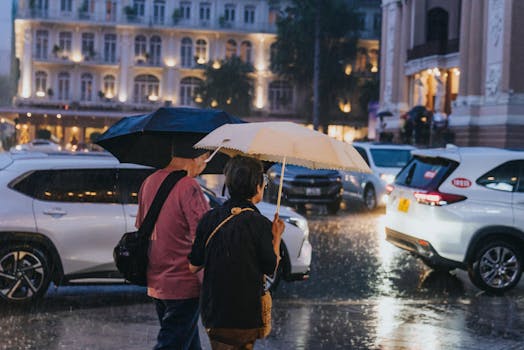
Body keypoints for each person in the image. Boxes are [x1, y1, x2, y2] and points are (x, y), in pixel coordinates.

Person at [189, 156, 285, 350]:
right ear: (257, 186)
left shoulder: (209, 218)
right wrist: (276, 237)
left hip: (214, 312)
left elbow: (193, 266)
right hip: (245, 314)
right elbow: (270, 267)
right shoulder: (261, 224)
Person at [136, 148, 211, 350]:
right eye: (204, 159)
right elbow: (204, 235)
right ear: (193, 157)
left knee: (186, 341)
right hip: (184, 280)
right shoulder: (189, 186)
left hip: (156, 279)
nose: (204, 165)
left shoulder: (149, 182)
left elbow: (141, 227)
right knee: (172, 344)